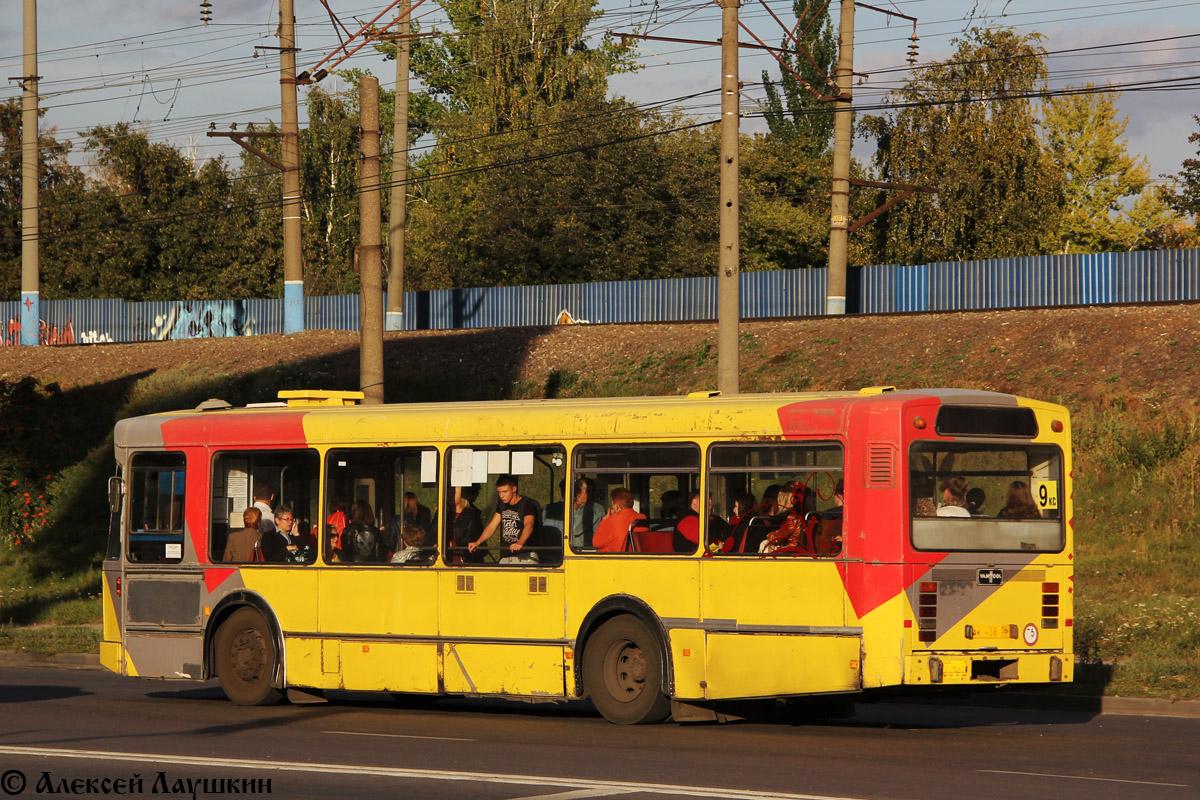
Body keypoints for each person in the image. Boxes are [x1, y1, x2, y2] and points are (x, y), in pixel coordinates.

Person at [468, 475, 541, 564]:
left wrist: (520, 542)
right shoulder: (502, 506)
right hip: (507, 555)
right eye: (499, 492)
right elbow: (492, 526)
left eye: (505, 491)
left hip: (525, 556)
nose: (501, 495)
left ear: (514, 489)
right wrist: (477, 542)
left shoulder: (526, 504)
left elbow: (529, 525)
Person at [591, 487, 646, 553]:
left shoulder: (612, 520)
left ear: (617, 506)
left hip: (615, 560)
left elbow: (596, 542)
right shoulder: (642, 518)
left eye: (613, 505)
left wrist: (604, 520)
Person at [449, 484, 485, 564]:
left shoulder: (472, 515)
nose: (449, 496)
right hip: (445, 558)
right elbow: (432, 532)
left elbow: (470, 537)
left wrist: (452, 543)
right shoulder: (443, 514)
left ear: (461, 494)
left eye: (453, 493)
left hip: (465, 559)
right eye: (448, 493)